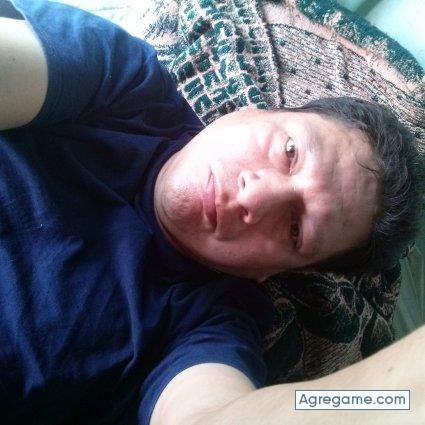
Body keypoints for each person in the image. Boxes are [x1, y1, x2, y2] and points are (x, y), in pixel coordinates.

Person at [0, 1, 423, 424]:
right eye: (289, 151)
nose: (256, 198)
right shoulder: (121, 78)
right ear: (249, 111)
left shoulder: (209, 327)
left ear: (272, 272)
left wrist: (398, 398)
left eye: (295, 230)